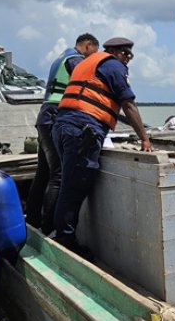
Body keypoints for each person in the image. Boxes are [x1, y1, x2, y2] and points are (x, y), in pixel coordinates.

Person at [50, 36, 153, 251]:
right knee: (73, 189)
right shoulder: (114, 66)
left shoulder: (90, 63)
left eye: (130, 55)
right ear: (114, 51)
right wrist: (144, 137)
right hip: (82, 130)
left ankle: (59, 233)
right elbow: (129, 104)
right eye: (126, 54)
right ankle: (66, 242)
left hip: (63, 126)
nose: (128, 59)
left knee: (68, 185)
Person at [25, 33, 98, 234]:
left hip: (45, 116)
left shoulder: (61, 58)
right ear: (88, 45)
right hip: (56, 115)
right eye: (93, 53)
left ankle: (32, 220)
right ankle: (50, 228)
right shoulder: (75, 59)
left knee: (43, 173)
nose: (92, 58)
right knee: (58, 174)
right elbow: (88, 80)